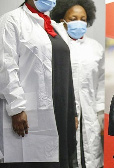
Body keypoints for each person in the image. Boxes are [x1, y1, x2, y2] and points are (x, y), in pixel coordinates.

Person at [0, 0, 77, 167]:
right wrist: (16, 108)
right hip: (30, 111)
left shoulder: (54, 27)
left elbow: (68, 72)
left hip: (61, 110)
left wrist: (73, 111)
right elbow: (6, 66)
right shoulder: (12, 20)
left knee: (60, 158)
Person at [50, 0, 104, 167]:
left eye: (83, 18)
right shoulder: (55, 46)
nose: (79, 22)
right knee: (67, 156)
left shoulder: (95, 48)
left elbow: (100, 83)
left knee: (89, 157)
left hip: (89, 115)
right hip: (63, 113)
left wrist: (100, 115)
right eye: (73, 18)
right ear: (62, 19)